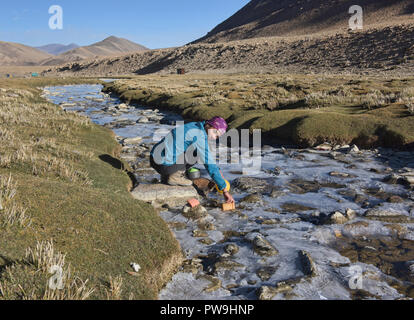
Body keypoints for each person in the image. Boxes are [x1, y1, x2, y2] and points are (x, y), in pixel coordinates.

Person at [150, 116, 235, 204]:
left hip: (154, 159)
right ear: (210, 126)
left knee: (191, 150)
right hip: (163, 166)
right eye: (216, 134)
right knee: (196, 153)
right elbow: (208, 163)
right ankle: (175, 176)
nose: (215, 138)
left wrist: (218, 170)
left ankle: (166, 177)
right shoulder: (199, 136)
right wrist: (224, 190)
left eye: (218, 137)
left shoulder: (195, 125)